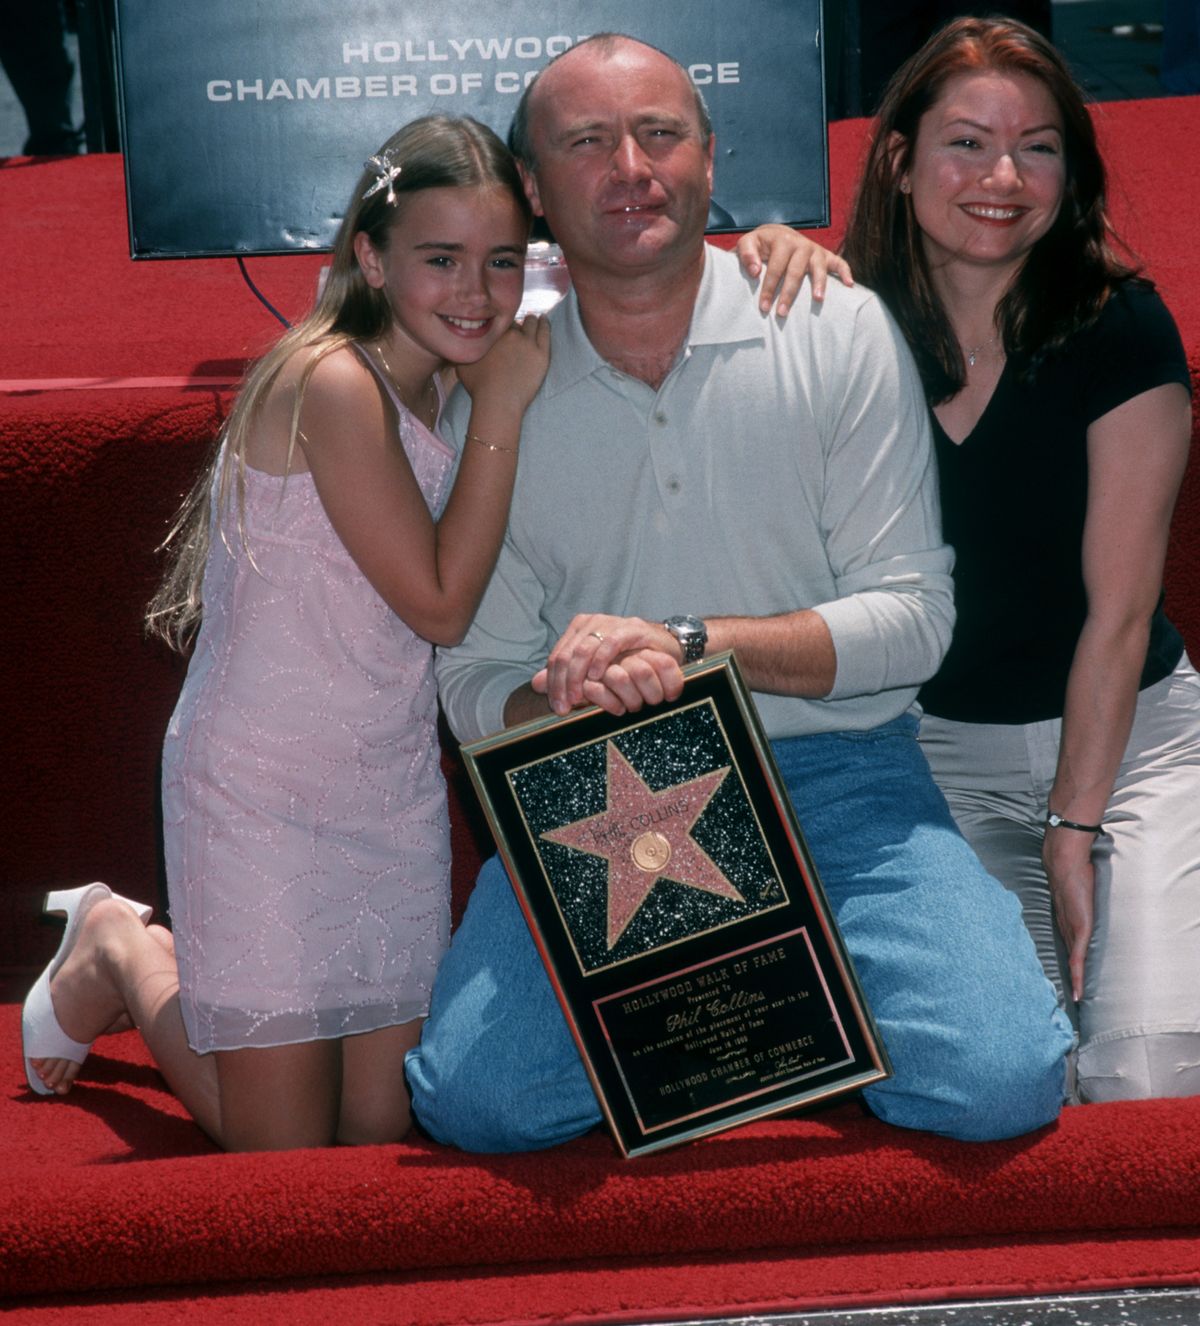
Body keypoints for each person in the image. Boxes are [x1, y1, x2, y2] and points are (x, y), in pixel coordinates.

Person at [405, 32, 1073, 1154]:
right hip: (601, 786)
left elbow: (914, 622)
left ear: (711, 160)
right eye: (587, 143)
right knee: (482, 1108)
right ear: (531, 186)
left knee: (1001, 1081)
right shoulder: (498, 390)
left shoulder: (830, 325)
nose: (631, 167)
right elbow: (471, 683)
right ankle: (779, 1014)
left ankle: (764, 1002)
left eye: (660, 134)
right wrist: (559, 697)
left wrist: (685, 641)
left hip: (839, 772)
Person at [20, 114, 552, 1150]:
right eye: (440, 260)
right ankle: (123, 946)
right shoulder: (337, 381)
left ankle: (135, 953)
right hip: (259, 790)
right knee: (282, 1153)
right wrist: (504, 412)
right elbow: (440, 604)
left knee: (379, 1129)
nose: (476, 293)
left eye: (500, 263)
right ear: (370, 254)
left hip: (385, 789)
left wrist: (775, 242)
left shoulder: (447, 364)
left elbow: (607, 264)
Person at [757, 17, 1199, 1102]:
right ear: (901, 160)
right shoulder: (842, 326)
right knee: (1007, 1075)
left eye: (1038, 146)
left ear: (1070, 171)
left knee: (1145, 1078)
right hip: (930, 754)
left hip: (1129, 747)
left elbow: (1120, 611)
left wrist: (1072, 827)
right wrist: (761, 248)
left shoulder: (1120, 326)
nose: (1004, 176)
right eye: (967, 141)